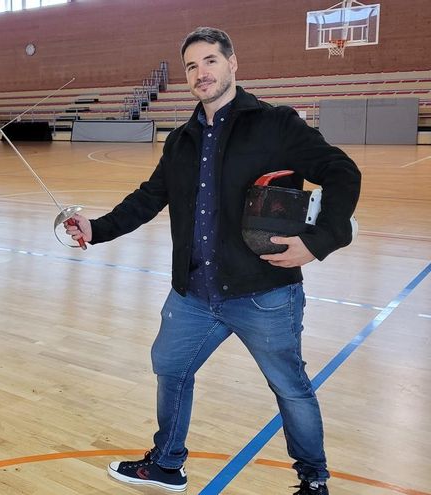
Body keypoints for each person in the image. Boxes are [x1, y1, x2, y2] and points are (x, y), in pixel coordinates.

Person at [66, 27, 360, 495]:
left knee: (290, 387)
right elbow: (149, 197)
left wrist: (322, 240)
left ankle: (313, 479)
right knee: (170, 367)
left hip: (265, 292)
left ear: (232, 63)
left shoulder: (275, 124)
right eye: (191, 65)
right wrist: (97, 229)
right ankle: (167, 463)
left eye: (210, 61)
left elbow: (342, 172)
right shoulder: (181, 140)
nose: (201, 73)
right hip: (194, 293)